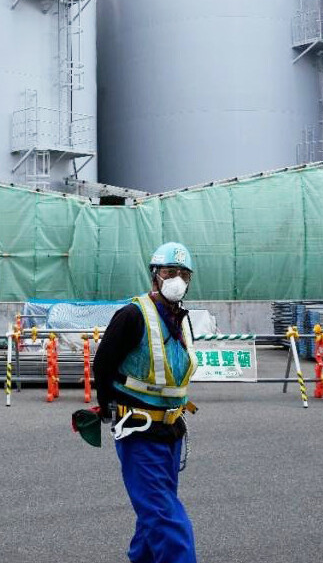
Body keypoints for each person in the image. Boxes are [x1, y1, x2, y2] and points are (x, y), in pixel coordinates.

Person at [92, 241, 199, 563]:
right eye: (170, 272)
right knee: (165, 517)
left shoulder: (181, 318)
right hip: (138, 430)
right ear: (155, 275)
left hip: (171, 430)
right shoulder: (132, 314)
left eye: (184, 273)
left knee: (155, 512)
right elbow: (103, 364)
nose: (177, 279)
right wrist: (109, 406)